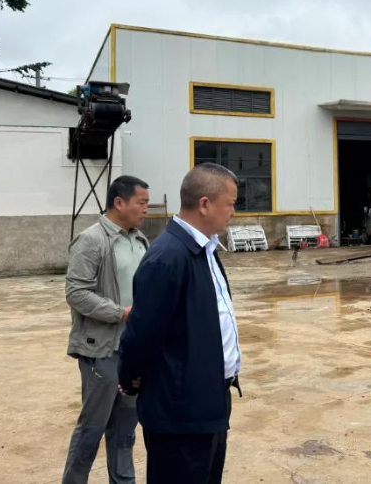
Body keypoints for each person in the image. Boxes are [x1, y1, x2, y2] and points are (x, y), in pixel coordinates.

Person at [119, 163, 241, 484]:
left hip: (209, 401)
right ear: (205, 204)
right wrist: (130, 379)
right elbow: (141, 335)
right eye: (230, 204)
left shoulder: (205, 249)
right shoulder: (168, 257)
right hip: (180, 412)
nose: (233, 212)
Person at [62, 175, 150, 484]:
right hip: (102, 350)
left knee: (125, 429)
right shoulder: (91, 240)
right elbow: (76, 293)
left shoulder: (139, 240)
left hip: (133, 350)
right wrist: (120, 313)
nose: (146, 209)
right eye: (141, 203)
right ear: (119, 202)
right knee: (92, 427)